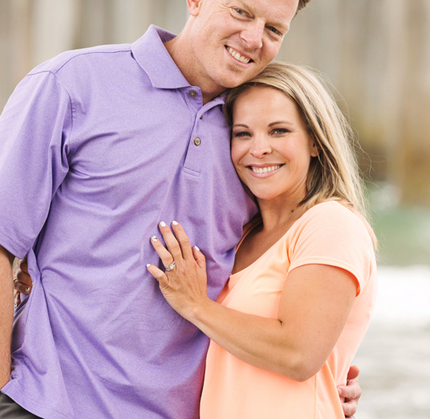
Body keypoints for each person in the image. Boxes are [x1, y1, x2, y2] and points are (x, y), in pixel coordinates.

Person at [0, 0, 361, 419]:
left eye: (274, 29)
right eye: (241, 11)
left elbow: (276, 285)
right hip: (51, 404)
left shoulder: (254, 141)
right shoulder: (72, 86)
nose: (253, 38)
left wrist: (321, 382)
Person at [146, 62, 377, 418]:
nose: (259, 149)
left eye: (279, 131)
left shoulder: (331, 224)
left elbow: (298, 355)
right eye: (242, 134)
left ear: (315, 141)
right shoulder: (240, 235)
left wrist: (196, 306)